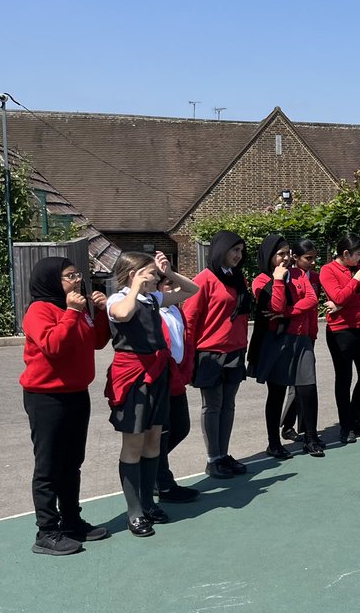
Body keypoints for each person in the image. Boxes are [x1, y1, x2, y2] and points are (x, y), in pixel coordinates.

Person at [20, 257, 112, 555]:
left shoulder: (77, 309)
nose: (77, 280)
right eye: (69, 276)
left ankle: (72, 520)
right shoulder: (40, 310)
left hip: (76, 393)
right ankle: (46, 531)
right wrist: (73, 312)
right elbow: (54, 347)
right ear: (51, 281)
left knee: (72, 462)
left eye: (77, 274)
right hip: (46, 397)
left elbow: (96, 342)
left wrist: (98, 314)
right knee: (48, 465)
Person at [105, 251, 198, 537]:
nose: (154, 276)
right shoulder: (117, 299)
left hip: (157, 375)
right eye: (149, 271)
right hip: (133, 377)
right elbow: (123, 314)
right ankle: (134, 512)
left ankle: (147, 503)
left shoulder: (152, 298)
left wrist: (168, 272)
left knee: (154, 441)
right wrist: (134, 285)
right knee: (133, 444)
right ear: (133, 274)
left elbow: (192, 290)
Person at [184, 230, 253, 480]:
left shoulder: (237, 277)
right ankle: (213, 459)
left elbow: (242, 316)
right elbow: (190, 319)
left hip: (234, 350)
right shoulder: (204, 279)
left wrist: (242, 344)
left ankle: (223, 455)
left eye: (241, 251)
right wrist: (189, 356)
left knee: (228, 405)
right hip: (210, 352)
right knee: (212, 406)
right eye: (235, 250)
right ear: (221, 249)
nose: (239, 255)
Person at [249, 234, 322, 460]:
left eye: (287, 253)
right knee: (277, 393)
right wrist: (279, 280)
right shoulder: (261, 281)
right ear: (269, 256)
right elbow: (275, 305)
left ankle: (310, 438)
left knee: (308, 389)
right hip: (277, 342)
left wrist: (289, 312)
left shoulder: (300, 274)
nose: (285, 258)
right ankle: (274, 442)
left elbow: (311, 300)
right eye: (280, 254)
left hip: (301, 340)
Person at [320, 234, 360, 444]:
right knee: (344, 379)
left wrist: (343, 305)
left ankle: (354, 415)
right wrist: (355, 281)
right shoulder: (328, 271)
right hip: (340, 331)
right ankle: (346, 425)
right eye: (358, 254)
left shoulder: (359, 269)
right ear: (346, 254)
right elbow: (338, 296)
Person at [156, 270, 200, 505]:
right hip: (160, 380)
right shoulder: (151, 310)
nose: (173, 290)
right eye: (167, 285)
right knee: (160, 435)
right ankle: (163, 483)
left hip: (176, 379)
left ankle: (153, 469)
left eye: (174, 285)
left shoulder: (176, 310)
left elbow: (186, 342)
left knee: (181, 428)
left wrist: (186, 371)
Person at [280, 238, 326, 445]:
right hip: (292, 335)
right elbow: (295, 305)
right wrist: (293, 311)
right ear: (295, 258)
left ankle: (299, 426)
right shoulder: (288, 276)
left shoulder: (314, 277)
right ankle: (289, 425)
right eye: (309, 258)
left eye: (315, 258)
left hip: (309, 333)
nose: (313, 262)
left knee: (304, 384)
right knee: (296, 385)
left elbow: (314, 304)